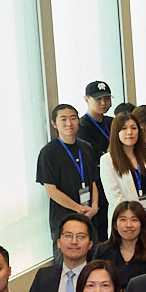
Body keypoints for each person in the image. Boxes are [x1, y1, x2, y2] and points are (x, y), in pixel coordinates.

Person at [36, 102, 100, 240]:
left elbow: (93, 181)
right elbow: (51, 191)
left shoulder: (86, 147)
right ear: (54, 124)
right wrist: (78, 209)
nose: (69, 123)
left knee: (92, 259)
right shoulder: (48, 152)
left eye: (73, 118)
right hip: (64, 221)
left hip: (89, 218)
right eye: (63, 119)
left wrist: (94, 207)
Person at [23, 214, 98, 292]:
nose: (74, 242)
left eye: (81, 236)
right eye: (68, 236)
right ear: (58, 242)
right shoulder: (44, 276)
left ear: (90, 244)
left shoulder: (99, 277)